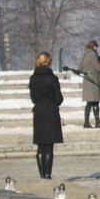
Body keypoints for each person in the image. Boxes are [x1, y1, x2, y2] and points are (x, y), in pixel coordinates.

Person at [30, 52, 63, 180]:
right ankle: (47, 174)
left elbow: (33, 97)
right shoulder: (52, 78)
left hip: (38, 111)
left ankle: (41, 174)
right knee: (49, 146)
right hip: (51, 111)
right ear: (48, 62)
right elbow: (59, 98)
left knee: (40, 145)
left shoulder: (33, 78)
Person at [79, 40, 100, 128]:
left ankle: (86, 122)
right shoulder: (92, 54)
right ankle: (97, 122)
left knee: (89, 102)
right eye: (96, 47)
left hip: (87, 79)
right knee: (95, 101)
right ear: (93, 46)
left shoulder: (84, 54)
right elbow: (97, 66)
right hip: (94, 78)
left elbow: (80, 67)